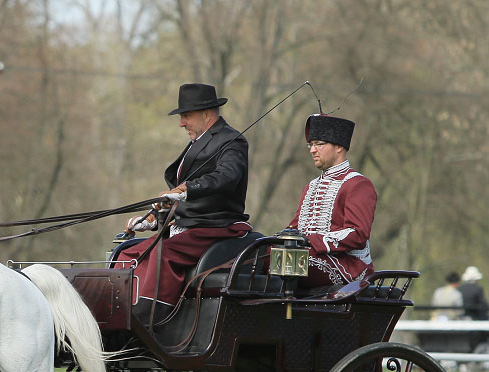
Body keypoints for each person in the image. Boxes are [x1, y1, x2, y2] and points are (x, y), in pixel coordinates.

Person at [114, 83, 251, 326]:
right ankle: (116, 312)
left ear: (207, 114)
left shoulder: (232, 141)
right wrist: (153, 220)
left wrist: (188, 188)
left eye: (186, 116)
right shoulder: (196, 142)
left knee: (160, 254)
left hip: (213, 227)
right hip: (185, 226)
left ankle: (149, 320)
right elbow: (177, 199)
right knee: (126, 253)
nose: (181, 123)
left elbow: (226, 177)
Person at [285, 114, 376, 289]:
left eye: (319, 144)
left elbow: (357, 233)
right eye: (311, 145)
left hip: (349, 266)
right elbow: (295, 229)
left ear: (339, 147)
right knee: (260, 258)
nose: (312, 150)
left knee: (288, 264)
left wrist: (311, 241)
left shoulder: (358, 184)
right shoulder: (310, 186)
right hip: (309, 256)